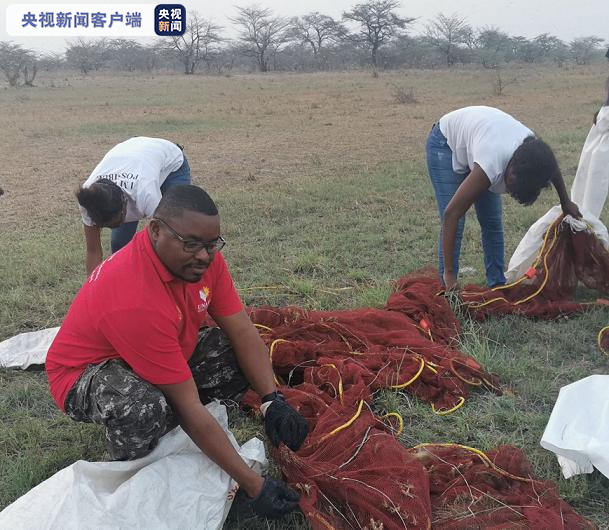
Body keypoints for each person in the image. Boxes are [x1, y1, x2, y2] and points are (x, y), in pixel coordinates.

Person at [47, 184, 308, 519]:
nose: (203, 255)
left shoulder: (203, 260)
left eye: (212, 244)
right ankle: (134, 456)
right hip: (84, 372)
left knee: (231, 355)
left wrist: (273, 399)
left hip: (151, 350)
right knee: (143, 408)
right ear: (155, 230)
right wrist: (253, 484)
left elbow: (242, 330)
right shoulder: (134, 298)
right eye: (191, 244)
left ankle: (166, 399)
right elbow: (187, 406)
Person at [426, 106, 581, 290]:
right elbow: (451, 214)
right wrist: (450, 274)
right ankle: (448, 287)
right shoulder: (492, 165)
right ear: (512, 170)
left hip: (481, 137)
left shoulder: (535, 152)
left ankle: (497, 283)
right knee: (456, 221)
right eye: (509, 185)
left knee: (492, 221)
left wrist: (565, 201)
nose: (506, 190)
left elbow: (552, 169)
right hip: (446, 143)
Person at [76, 137, 191, 275]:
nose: (120, 225)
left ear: (125, 202)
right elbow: (93, 250)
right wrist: (92, 292)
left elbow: (163, 241)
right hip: (135, 157)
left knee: (175, 235)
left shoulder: (145, 193)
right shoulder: (89, 200)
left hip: (172, 166)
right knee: (119, 244)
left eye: (121, 219)